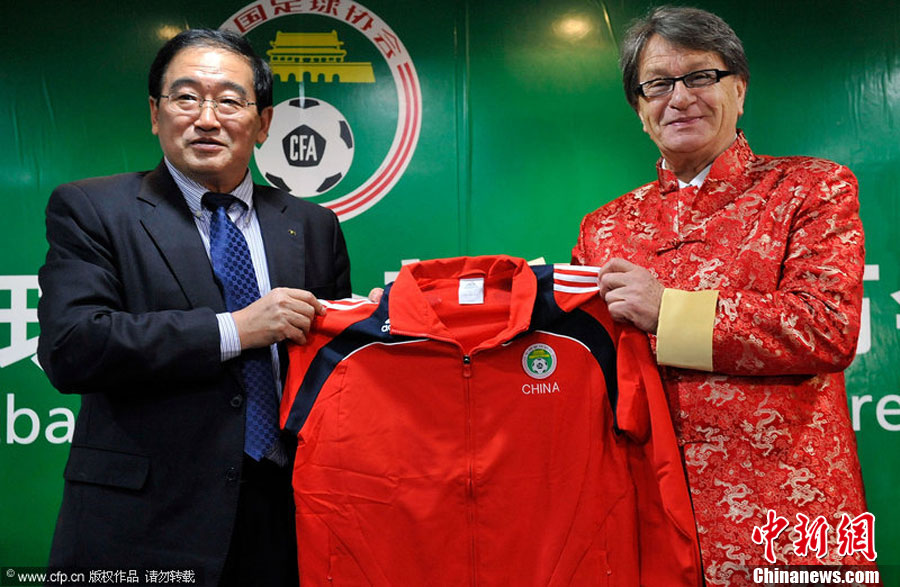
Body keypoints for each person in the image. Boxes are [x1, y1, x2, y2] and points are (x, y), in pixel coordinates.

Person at [37, 29, 351, 586]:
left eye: (229, 101)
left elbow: (333, 376)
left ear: (263, 122)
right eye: (186, 98)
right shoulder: (92, 208)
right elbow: (72, 347)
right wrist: (236, 329)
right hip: (142, 523)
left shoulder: (312, 225)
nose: (207, 119)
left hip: (283, 519)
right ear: (155, 113)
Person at [572, 6, 872, 585]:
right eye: (658, 84)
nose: (679, 98)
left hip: (791, 516)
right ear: (639, 109)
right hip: (646, 516)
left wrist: (668, 311)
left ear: (739, 89)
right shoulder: (603, 227)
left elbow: (827, 327)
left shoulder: (811, 188)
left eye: (700, 76)